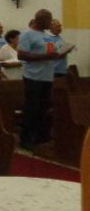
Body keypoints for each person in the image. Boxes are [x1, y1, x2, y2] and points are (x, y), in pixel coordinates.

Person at [18, 9, 72, 149]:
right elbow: (21, 55)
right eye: (49, 20)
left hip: (47, 77)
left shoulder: (46, 35)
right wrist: (45, 57)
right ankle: (26, 138)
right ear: (40, 20)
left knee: (44, 108)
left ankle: (42, 136)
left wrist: (62, 52)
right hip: (33, 77)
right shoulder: (27, 34)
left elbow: (50, 54)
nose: (50, 23)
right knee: (32, 108)